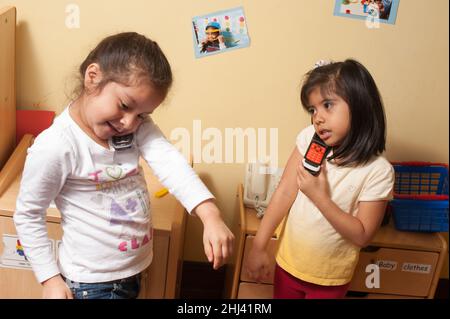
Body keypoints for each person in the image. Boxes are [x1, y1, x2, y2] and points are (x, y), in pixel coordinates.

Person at [13, 32, 234, 299]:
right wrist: (49, 279)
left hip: (132, 272)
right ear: (92, 77)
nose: (129, 123)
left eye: (142, 115)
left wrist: (210, 214)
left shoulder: (134, 129)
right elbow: (28, 214)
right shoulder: (57, 146)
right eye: (124, 105)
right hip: (92, 285)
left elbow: (169, 161)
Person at [245, 59, 394, 299]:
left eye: (327, 105)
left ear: (360, 106)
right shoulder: (310, 140)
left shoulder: (378, 171)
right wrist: (259, 246)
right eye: (313, 110)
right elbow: (284, 192)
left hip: (331, 279)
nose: (318, 117)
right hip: (287, 264)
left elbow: (363, 235)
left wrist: (319, 197)